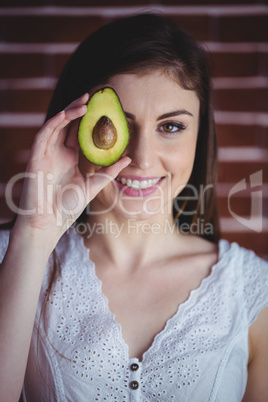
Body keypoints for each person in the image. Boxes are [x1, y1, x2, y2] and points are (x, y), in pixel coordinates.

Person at [0, 13, 267, 402]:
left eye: (171, 126)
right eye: (116, 125)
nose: (142, 158)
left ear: (199, 135)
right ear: (72, 129)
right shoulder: (13, 259)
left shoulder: (253, 290)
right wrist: (35, 234)